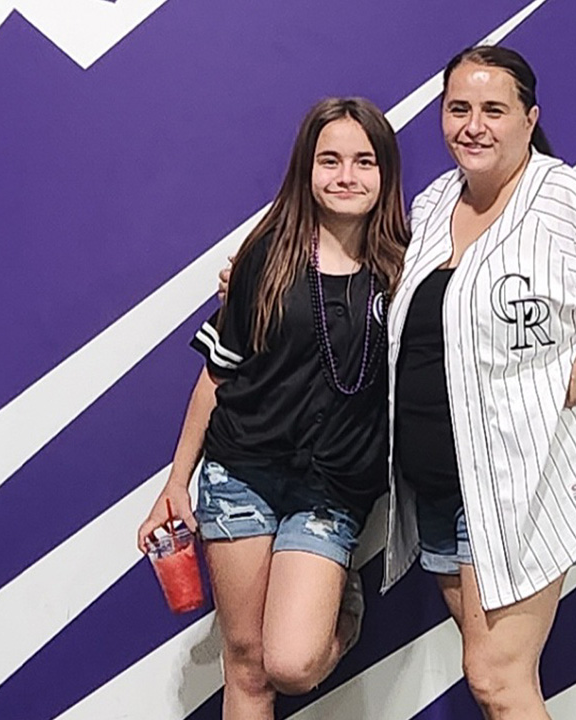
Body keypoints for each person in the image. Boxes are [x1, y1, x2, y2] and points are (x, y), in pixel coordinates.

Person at [382, 46, 576, 719]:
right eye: (458, 109)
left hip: (521, 482)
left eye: (493, 110)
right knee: (493, 681)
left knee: (498, 680)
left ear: (529, 119)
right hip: (440, 485)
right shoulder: (436, 200)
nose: (473, 125)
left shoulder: (561, 196)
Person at [137, 97, 407, 720]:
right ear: (305, 171)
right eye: (330, 160)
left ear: (386, 173)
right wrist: (175, 484)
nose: (346, 176)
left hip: (331, 492)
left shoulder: (405, 271)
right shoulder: (267, 256)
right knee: (248, 665)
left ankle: (340, 601)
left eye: (364, 161)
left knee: (291, 663)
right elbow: (217, 375)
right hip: (240, 475)